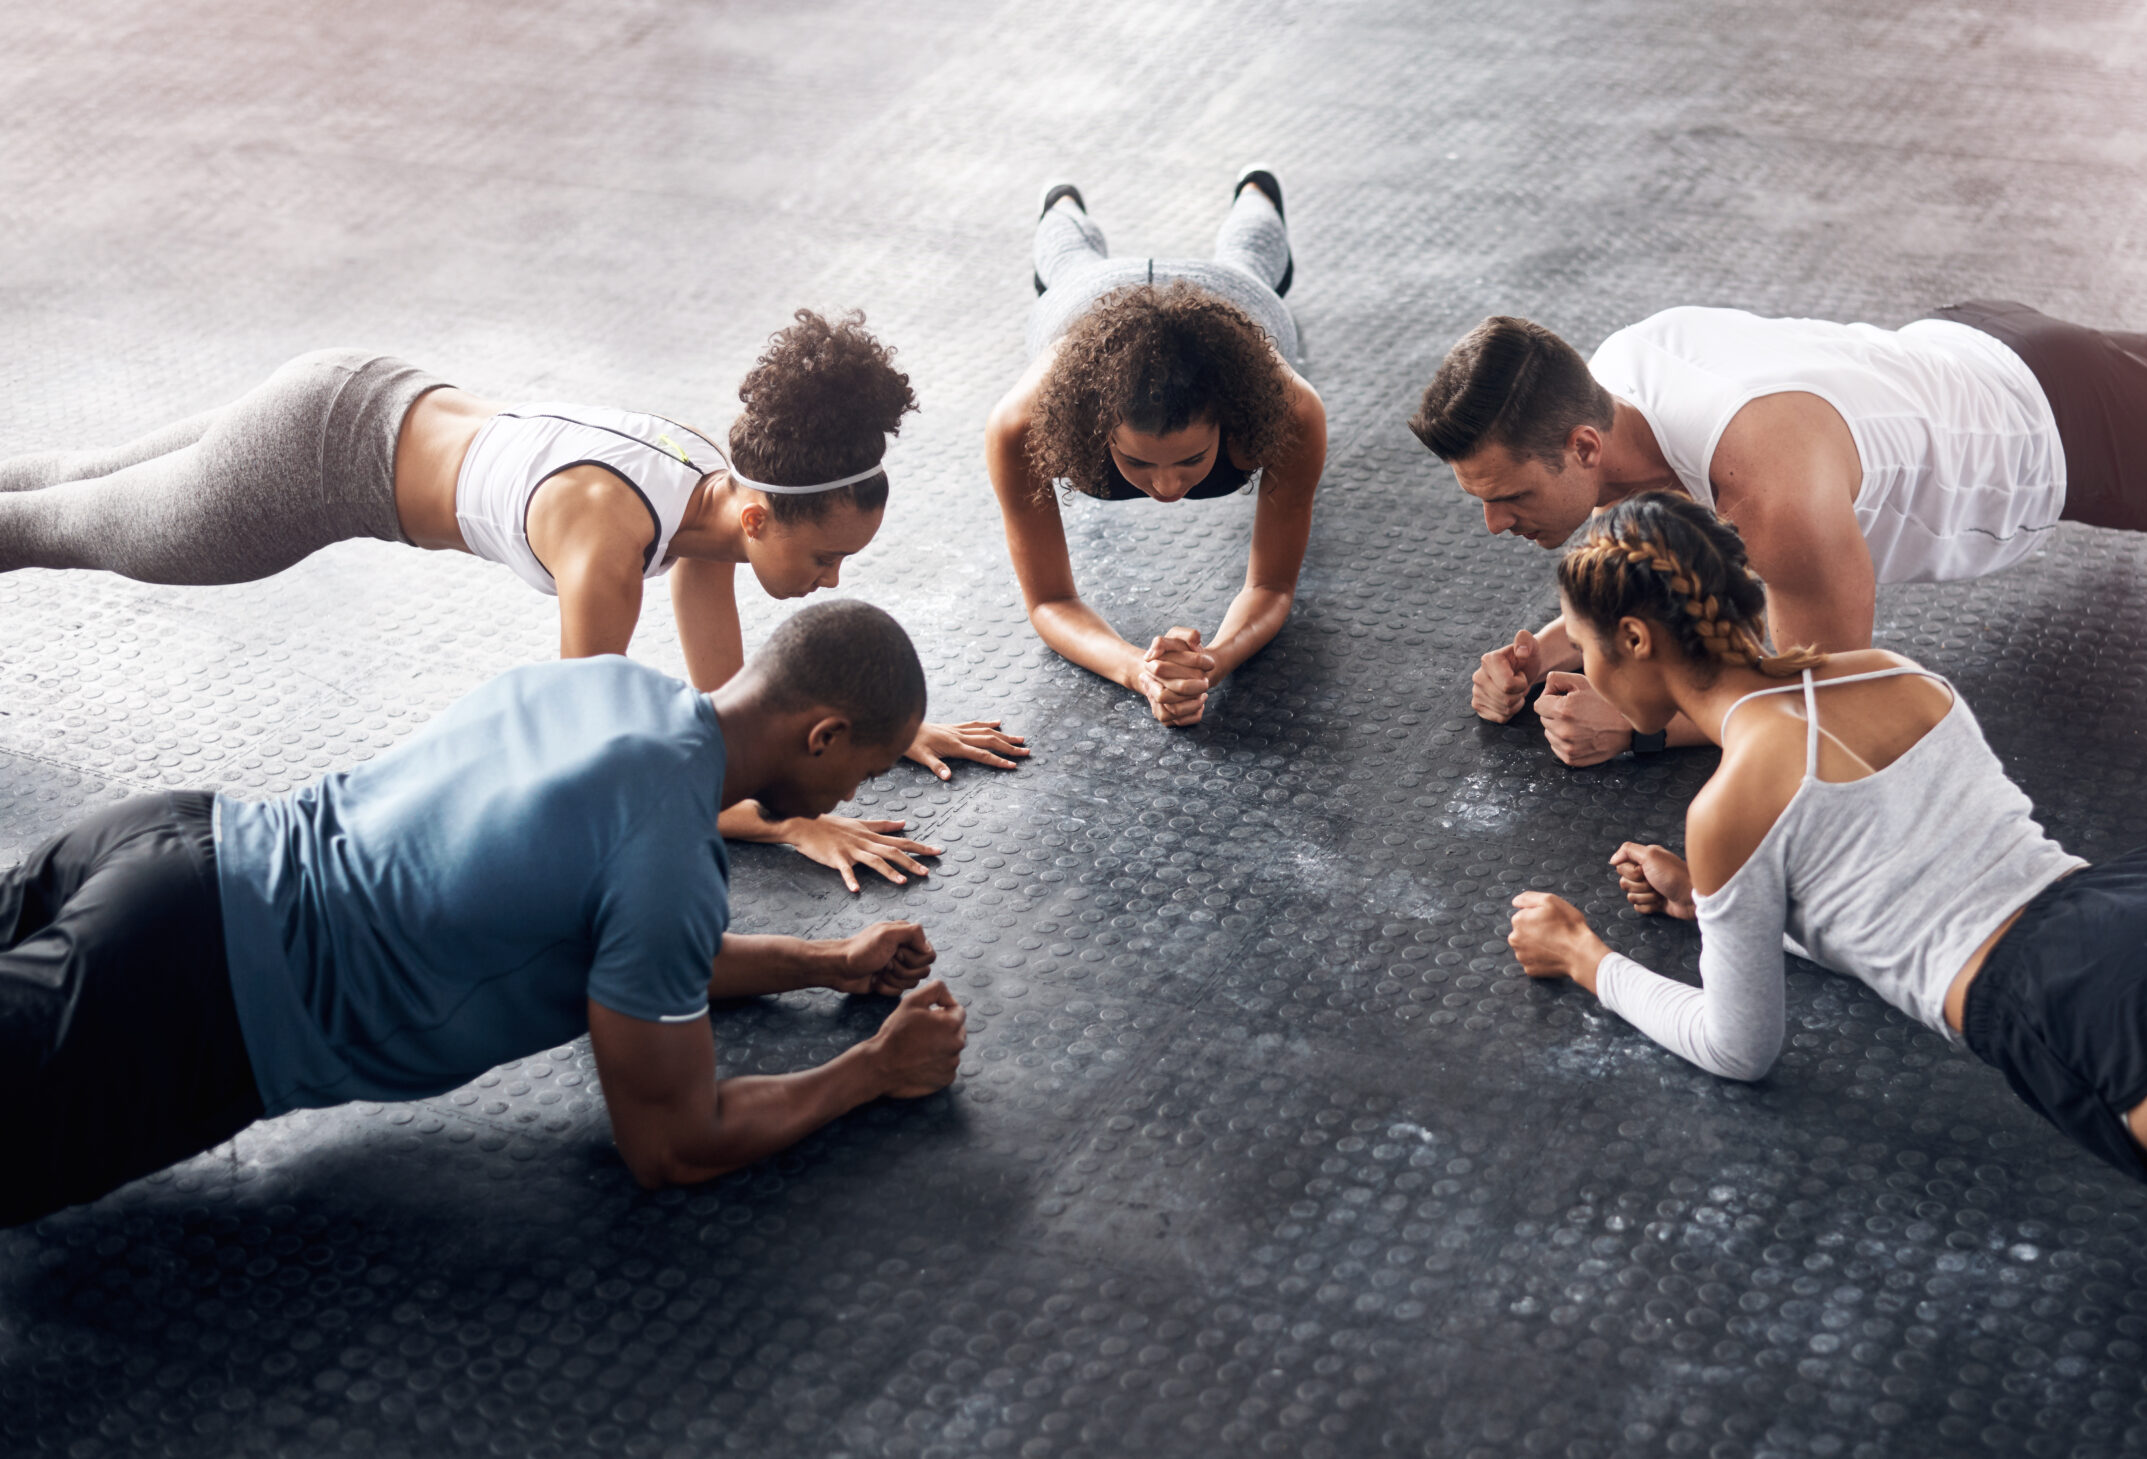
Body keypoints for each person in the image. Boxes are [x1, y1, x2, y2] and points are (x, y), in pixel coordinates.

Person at [1501, 491, 2147, 1290]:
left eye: (1588, 649)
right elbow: (1889, 883)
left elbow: (1741, 1049)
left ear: (1634, 636)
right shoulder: (1888, 670)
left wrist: (1589, 957)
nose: (1585, 674)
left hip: (2093, 997)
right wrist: (1722, 907)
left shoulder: (1730, 802)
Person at [0, 599, 973, 1228]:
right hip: (187, 988)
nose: (851, 796)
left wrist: (826, 960)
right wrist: (872, 1070)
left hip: (166, 840)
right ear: (824, 733)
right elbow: (673, 1145)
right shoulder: (670, 854)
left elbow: (629, 953)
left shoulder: (611, 687)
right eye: (865, 770)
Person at [0, 310, 1027, 890]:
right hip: (311, 464)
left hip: (354, 382)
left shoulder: (713, 490)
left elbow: (731, 703)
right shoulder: (609, 547)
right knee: (51, 528)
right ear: (763, 521)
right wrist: (791, 826)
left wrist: (879, 727)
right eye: (826, 560)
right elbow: (594, 772)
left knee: (66, 485)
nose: (831, 585)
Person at [1409, 251, 2147, 765]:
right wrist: (1559, 642)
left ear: (1579, 443)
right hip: (1976, 344)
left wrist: (1639, 721)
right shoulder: (1615, 378)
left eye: (1508, 498)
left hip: (2048, 434)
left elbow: (1829, 695)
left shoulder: (1776, 491)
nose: (1495, 524)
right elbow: (1662, 534)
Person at [983, 169, 1327, 726]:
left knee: (1251, 258)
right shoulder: (1020, 426)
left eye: (1192, 459)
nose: (1168, 489)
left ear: (1230, 419)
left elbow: (1270, 585)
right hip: (1087, 298)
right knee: (1068, 261)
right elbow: (1049, 602)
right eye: (1137, 461)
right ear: (1095, 427)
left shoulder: (1292, 412)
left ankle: (1257, 193)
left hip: (1225, 291)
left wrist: (1213, 660)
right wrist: (1138, 670)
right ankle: (1061, 204)